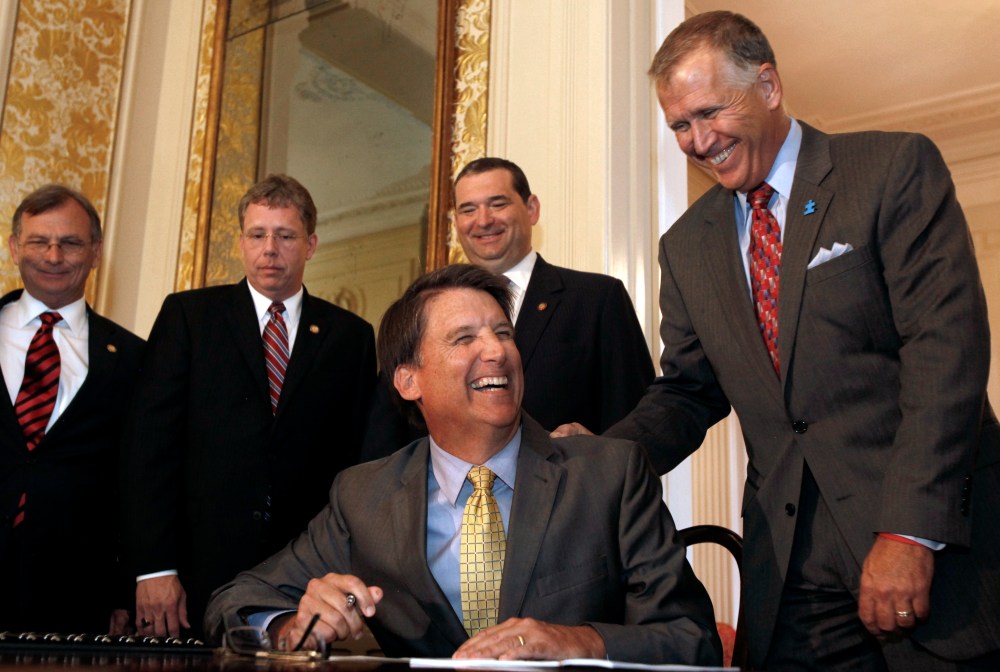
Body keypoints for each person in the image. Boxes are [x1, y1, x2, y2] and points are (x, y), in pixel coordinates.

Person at [559, 10, 1000, 671]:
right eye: (679, 124)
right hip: (791, 569)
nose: (698, 140)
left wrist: (910, 529)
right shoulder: (686, 246)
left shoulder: (889, 169)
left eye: (710, 112)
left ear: (767, 85)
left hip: (927, 550)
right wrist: (604, 456)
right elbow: (686, 392)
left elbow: (946, 358)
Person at [205, 264, 721, 664]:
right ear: (408, 381)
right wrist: (288, 625)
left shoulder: (609, 473)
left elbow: (691, 639)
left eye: (503, 333)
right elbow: (235, 599)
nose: (496, 351)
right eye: (464, 338)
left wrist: (575, 641)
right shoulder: (363, 497)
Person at [121, 174, 377, 638]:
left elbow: (357, 465)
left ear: (311, 244)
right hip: (192, 577)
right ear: (241, 241)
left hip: (304, 577)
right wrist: (153, 568)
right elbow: (149, 449)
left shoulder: (351, 337)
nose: (270, 249)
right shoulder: (189, 317)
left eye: (285, 235)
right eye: (257, 235)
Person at [362, 158, 654, 459]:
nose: (484, 220)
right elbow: (385, 438)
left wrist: (603, 462)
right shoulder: (419, 312)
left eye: (497, 204)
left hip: (567, 497)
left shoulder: (596, 300)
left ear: (531, 209)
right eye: (468, 209)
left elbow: (636, 423)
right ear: (455, 222)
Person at [0, 184, 144, 633]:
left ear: (96, 252)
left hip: (78, 592)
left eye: (71, 243)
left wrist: (125, 588)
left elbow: (138, 481)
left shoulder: (135, 359)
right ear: (14, 246)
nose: (54, 255)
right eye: (39, 241)